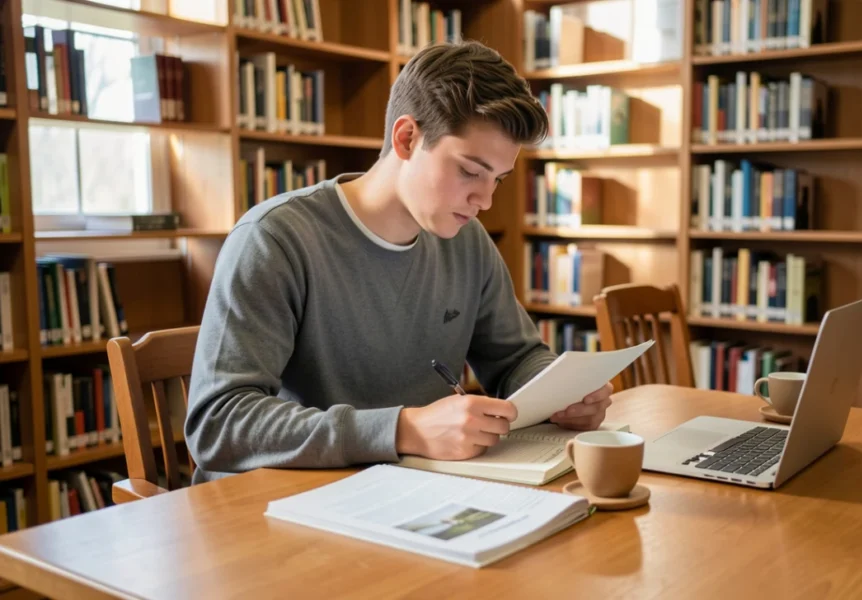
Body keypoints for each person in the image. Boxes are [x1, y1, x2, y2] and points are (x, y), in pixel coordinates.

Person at [184, 40, 614, 484]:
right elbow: (218, 424)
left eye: (497, 180)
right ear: (407, 138)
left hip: (418, 492)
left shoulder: (467, 240)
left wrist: (562, 393)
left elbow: (516, 359)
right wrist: (402, 430)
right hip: (294, 503)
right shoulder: (275, 238)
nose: (484, 200)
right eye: (470, 171)